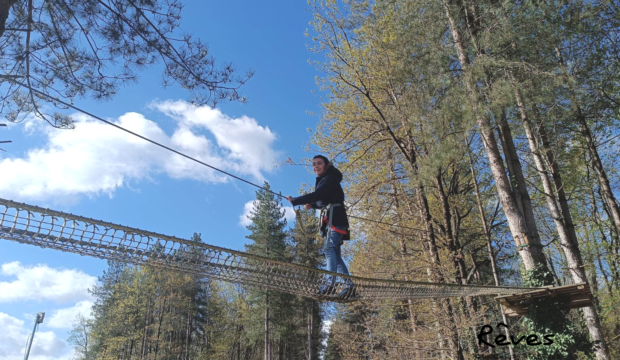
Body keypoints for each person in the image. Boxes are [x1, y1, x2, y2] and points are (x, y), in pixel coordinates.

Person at [286, 155, 356, 298]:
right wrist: (312, 206)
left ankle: (330, 284)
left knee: (329, 249)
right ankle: (349, 287)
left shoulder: (329, 179)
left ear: (326, 165)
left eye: (319, 163)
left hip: (335, 220)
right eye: (314, 164)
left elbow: (317, 195)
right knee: (334, 253)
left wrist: (295, 201)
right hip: (334, 219)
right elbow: (323, 200)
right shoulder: (327, 180)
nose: (316, 166)